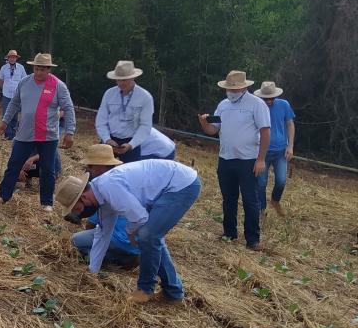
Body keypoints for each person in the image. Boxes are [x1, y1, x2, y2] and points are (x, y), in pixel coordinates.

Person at [59, 159, 202, 304]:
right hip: (167, 185)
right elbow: (103, 235)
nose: (79, 214)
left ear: (84, 197)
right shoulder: (102, 197)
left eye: (77, 209)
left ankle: (145, 289)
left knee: (147, 235)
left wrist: (130, 232)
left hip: (181, 185)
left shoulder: (109, 188)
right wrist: (92, 272)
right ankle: (173, 293)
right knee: (151, 236)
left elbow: (140, 218)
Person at [198, 70, 270, 250]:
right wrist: (204, 123)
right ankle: (229, 233)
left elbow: (265, 132)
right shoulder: (223, 105)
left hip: (248, 159)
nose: (232, 91)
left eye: (235, 88)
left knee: (250, 200)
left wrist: (261, 159)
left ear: (244, 87)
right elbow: (213, 130)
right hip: (226, 158)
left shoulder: (257, 104)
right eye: (229, 88)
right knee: (228, 198)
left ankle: (252, 239)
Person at [0, 53, 75, 210]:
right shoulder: (24, 82)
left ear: (49, 69)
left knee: (47, 168)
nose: (39, 72)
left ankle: (46, 202)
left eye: (42, 69)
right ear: (33, 67)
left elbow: (68, 108)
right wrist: (5, 121)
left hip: (48, 135)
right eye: (36, 68)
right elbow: (14, 103)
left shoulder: (58, 86)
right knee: (14, 163)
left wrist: (70, 131)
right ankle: (4, 196)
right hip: (24, 133)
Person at [96, 60, 154, 163]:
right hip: (109, 140)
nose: (120, 83)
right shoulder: (109, 94)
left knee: (132, 175)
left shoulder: (145, 97)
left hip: (132, 142)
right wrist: (107, 139)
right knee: (99, 173)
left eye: (124, 80)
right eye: (118, 80)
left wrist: (131, 144)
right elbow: (101, 119)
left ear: (133, 77)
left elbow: (145, 126)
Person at [253, 81, 295, 217]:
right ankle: (261, 209)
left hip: (281, 150)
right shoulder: (256, 106)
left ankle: (275, 200)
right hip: (262, 151)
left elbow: (290, 124)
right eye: (266, 98)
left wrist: (290, 145)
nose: (269, 101)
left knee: (281, 180)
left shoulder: (284, 105)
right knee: (261, 183)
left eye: (271, 98)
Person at [0, 49, 27, 140]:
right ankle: (7, 134)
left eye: (14, 57)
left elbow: (24, 80)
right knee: (6, 114)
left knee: (15, 114)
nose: (12, 59)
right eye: (11, 57)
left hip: (17, 96)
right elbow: (1, 81)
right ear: (8, 58)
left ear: (16, 58)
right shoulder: (3, 68)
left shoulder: (21, 68)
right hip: (6, 94)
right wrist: (4, 89)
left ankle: (13, 134)